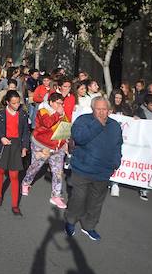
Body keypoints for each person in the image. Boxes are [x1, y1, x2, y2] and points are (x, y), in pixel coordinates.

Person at [64, 97, 123, 241]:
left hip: (103, 171)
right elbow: (79, 138)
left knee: (95, 201)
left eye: (104, 109)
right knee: (78, 198)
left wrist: (116, 162)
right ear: (92, 109)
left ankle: (89, 226)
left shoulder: (114, 126)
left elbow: (117, 146)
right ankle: (70, 221)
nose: (102, 112)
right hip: (83, 168)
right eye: (98, 109)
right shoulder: (83, 121)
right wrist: (97, 124)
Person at [22, 92, 71, 209]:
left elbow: (65, 128)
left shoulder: (62, 113)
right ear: (51, 102)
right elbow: (47, 123)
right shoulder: (43, 111)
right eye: (58, 103)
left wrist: (65, 143)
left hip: (57, 147)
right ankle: (26, 183)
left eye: (62, 103)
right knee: (35, 167)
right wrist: (57, 114)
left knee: (58, 172)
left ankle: (56, 195)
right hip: (41, 145)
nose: (61, 106)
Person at [0, 90, 30, 215]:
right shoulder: (0, 113)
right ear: (7, 102)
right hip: (2, 144)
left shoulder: (23, 114)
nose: (17, 105)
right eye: (14, 103)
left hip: (16, 146)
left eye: (18, 102)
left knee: (14, 175)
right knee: (0, 170)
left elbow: (26, 132)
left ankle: (14, 205)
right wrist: (1, 137)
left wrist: (24, 147)